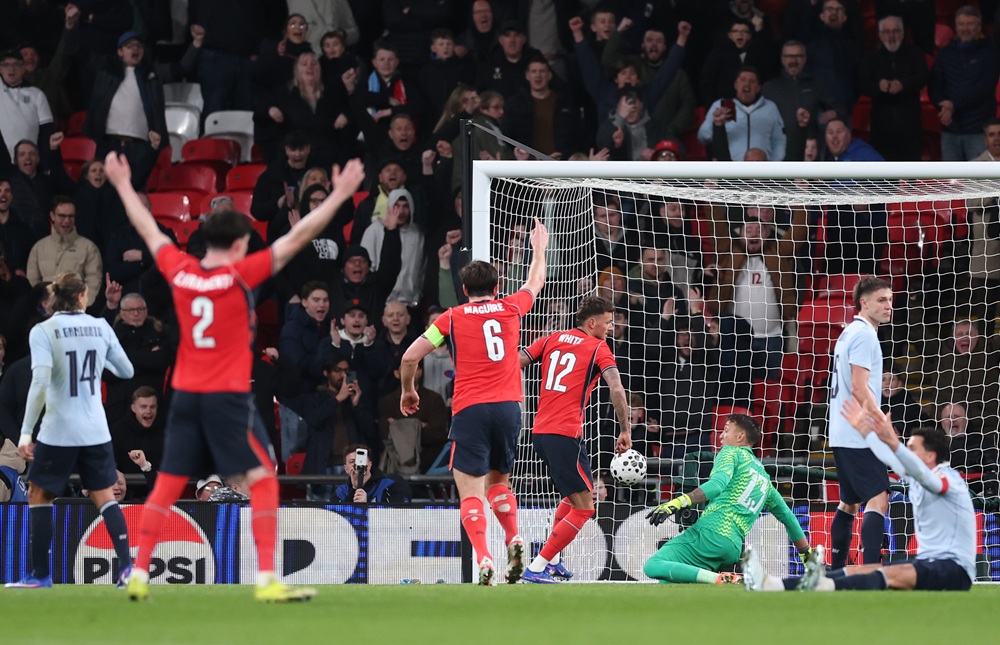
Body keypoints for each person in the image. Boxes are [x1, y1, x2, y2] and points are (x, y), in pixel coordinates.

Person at [104, 150, 365, 602]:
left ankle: (138, 572)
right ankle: (266, 579)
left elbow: (148, 228)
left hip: (185, 394)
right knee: (263, 480)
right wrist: (340, 193)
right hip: (224, 397)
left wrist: (124, 185)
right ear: (240, 243)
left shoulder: (181, 271)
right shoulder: (241, 274)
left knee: (167, 482)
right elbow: (299, 235)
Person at [398, 217, 549, 585]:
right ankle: (514, 536)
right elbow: (535, 283)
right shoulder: (511, 307)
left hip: (470, 408)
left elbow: (408, 358)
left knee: (469, 491)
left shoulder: (451, 317)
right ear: (497, 287)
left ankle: (484, 558)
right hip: (510, 409)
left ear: (464, 289)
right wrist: (539, 248)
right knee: (499, 483)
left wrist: (409, 390)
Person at [744, 402, 975, 592]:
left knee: (884, 573)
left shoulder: (948, 477)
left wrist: (893, 441)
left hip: (954, 569)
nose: (907, 451)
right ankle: (774, 585)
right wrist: (866, 433)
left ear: (930, 456)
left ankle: (827, 587)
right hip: (931, 564)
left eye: (913, 449)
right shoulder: (918, 475)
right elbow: (894, 458)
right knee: (858, 570)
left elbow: (931, 481)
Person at [6, 272, 135, 588]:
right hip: (95, 429)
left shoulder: (44, 330)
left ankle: (40, 576)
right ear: (82, 296)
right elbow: (126, 370)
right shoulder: (101, 326)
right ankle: (128, 569)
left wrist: (25, 434)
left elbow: (39, 382)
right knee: (105, 497)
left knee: (39, 495)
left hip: (59, 430)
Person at [517, 296, 631, 583]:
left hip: (542, 431)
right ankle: (536, 566)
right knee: (585, 507)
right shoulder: (598, 347)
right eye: (607, 322)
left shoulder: (551, 338)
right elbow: (616, 389)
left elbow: (517, 361)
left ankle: (553, 561)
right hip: (563, 433)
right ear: (591, 323)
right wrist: (626, 428)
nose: (609, 327)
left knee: (574, 495)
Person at [643, 414, 812, 584]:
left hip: (710, 533)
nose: (721, 436)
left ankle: (721, 579)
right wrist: (807, 555)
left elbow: (717, 484)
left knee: (653, 565)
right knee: (670, 581)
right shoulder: (764, 479)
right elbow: (788, 517)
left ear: (740, 437)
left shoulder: (731, 453)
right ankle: (719, 581)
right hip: (732, 548)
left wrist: (678, 502)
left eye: (726, 430)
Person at [827, 276, 893, 569]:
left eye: (890, 300)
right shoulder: (865, 335)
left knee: (850, 502)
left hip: (841, 431)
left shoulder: (849, 332)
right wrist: (880, 421)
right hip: (858, 431)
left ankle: (837, 569)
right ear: (863, 303)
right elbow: (858, 385)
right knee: (878, 497)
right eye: (881, 300)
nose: (889, 305)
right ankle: (870, 572)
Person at [25, 196, 102, 306]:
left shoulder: (89, 247)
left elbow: (94, 281)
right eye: (62, 216)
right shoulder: (39, 247)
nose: (66, 221)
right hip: (44, 312)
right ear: (52, 216)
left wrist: (83, 307)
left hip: (75, 313)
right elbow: (32, 282)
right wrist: (41, 305)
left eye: (71, 216)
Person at [331, 443, 411, 504]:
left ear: (369, 465)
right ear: (346, 468)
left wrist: (367, 506)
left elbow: (398, 518)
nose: (356, 465)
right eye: (352, 462)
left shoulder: (391, 487)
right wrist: (354, 490)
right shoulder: (340, 493)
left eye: (360, 461)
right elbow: (337, 520)